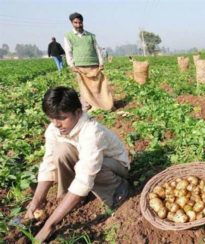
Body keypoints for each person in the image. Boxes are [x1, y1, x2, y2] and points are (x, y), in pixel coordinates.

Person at [24, 87, 130, 242]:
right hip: (85, 163)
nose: (56, 124)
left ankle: (117, 192)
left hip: (115, 167)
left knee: (96, 167)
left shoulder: (92, 132)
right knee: (60, 151)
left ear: (78, 112)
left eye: (61, 117)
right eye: (52, 118)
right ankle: (74, 198)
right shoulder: (54, 129)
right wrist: (35, 203)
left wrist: (49, 225)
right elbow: (48, 165)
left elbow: (85, 176)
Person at [64, 12, 113, 111]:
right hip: (80, 66)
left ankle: (100, 104)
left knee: (96, 86)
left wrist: (101, 62)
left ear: (83, 22)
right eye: (75, 23)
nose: (78, 25)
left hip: (93, 64)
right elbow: (68, 51)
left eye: (80, 22)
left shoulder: (90, 36)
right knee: (84, 87)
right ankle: (86, 105)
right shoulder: (68, 36)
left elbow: (97, 49)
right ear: (72, 23)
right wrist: (71, 65)